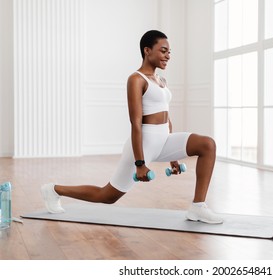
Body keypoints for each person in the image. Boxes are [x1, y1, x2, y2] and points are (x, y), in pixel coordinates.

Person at [41, 30, 223, 224]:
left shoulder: (162, 81)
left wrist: (174, 157)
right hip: (143, 145)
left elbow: (166, 117)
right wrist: (140, 163)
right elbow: (135, 123)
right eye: (163, 51)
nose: (168, 56)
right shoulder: (136, 79)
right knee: (108, 196)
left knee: (207, 145)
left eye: (169, 52)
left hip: (164, 140)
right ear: (147, 50)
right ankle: (54, 190)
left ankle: (198, 207)